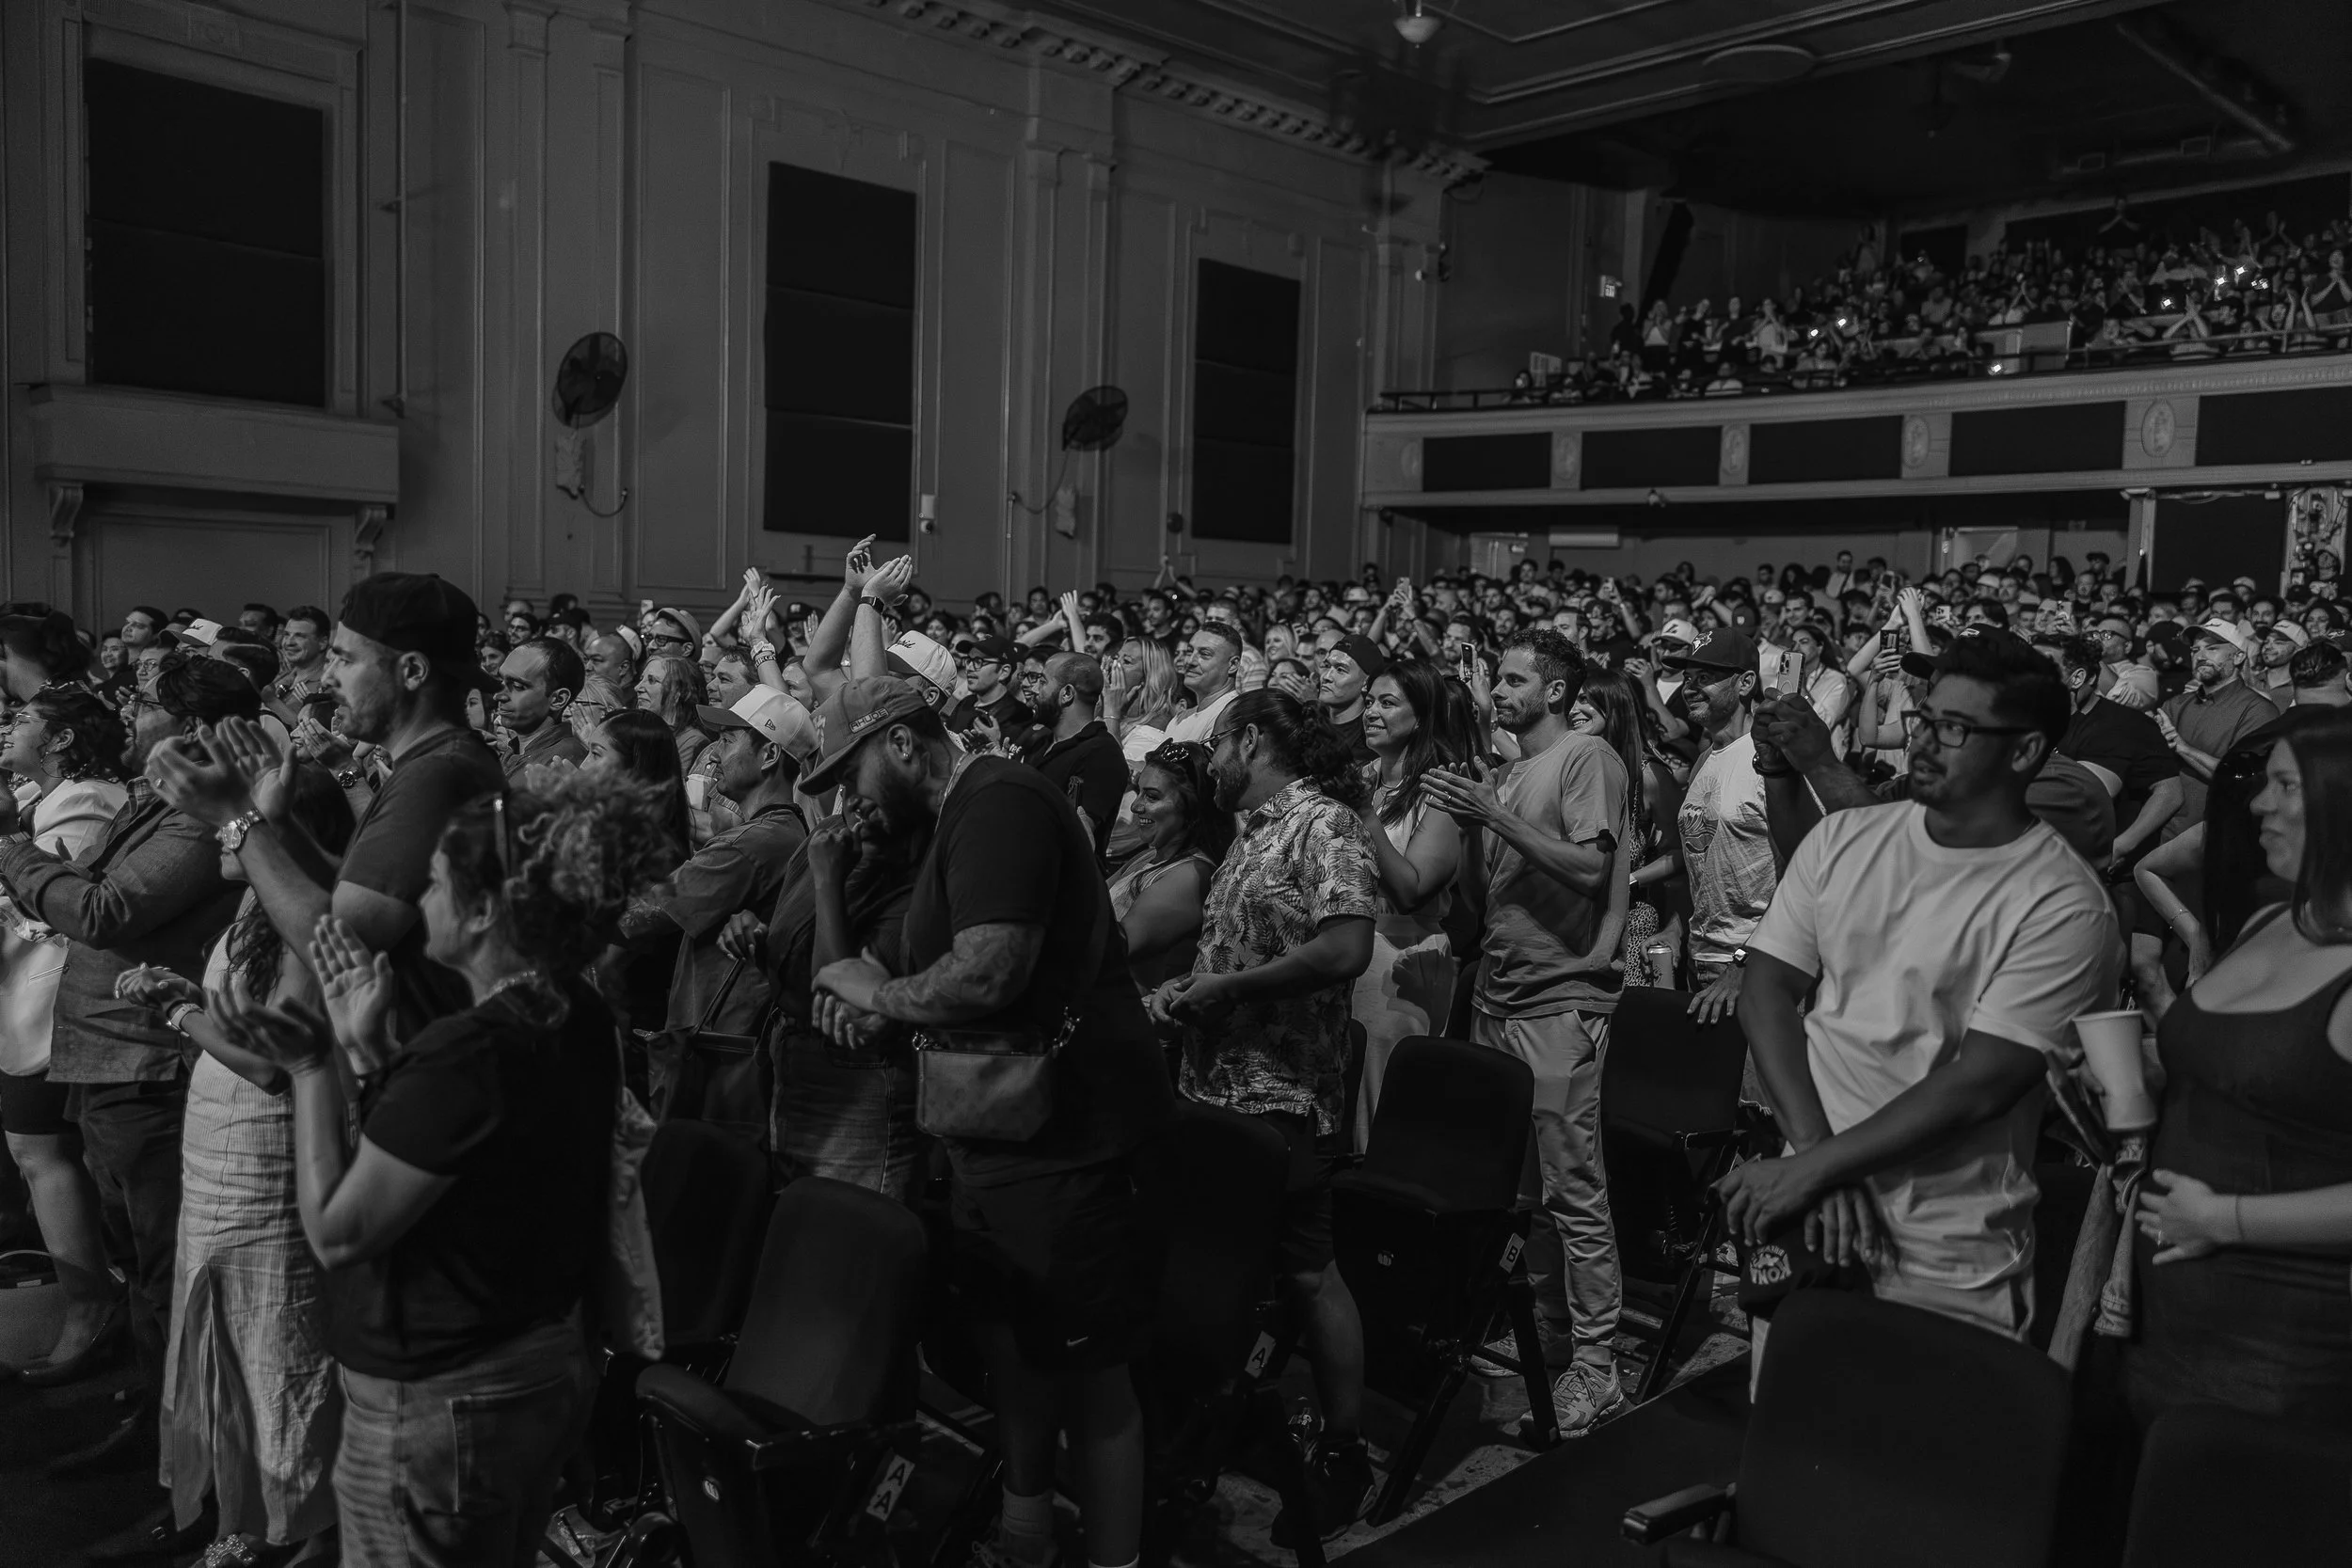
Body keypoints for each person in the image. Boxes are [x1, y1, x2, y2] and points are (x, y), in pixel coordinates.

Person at [209, 773, 675, 1565]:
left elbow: (340, 1231)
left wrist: (315, 1066)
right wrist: (372, 1056)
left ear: (486, 909)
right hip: (536, 1363)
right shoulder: (575, 1009)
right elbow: (470, 1169)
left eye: (434, 882)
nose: (421, 901)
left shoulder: (469, 1050)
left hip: (445, 1393)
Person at [803, 676, 1172, 1568]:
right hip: (1002, 1137)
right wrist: (879, 986)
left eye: (850, 774)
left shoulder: (999, 802)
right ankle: (1025, 1535)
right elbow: (893, 977)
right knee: (1016, 1353)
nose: (849, 800)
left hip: (1070, 1141)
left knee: (1091, 1376)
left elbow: (990, 970)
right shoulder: (950, 819)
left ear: (901, 743)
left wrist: (882, 998)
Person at [1715, 630, 2119, 1341]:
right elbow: (1766, 990)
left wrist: (1817, 1167)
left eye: (1954, 728)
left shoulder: (2063, 902)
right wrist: (1812, 1157)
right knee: (1786, 1407)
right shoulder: (1846, 839)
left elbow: (1981, 1082)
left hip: (1943, 1244)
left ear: (2024, 751)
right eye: (1924, 718)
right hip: (1810, 1205)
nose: (1924, 741)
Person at [0, 657, 250, 1487]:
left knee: (163, 1266)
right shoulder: (154, 799)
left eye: (142, 701)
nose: (126, 710)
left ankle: (181, 1459)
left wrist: (12, 844)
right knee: (142, 1263)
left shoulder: (196, 818)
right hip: (107, 1053)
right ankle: (156, 1419)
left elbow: (103, 910)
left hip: (147, 1059)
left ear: (192, 727)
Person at [1149, 689, 1378, 1541]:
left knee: (1310, 1271)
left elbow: (1347, 945)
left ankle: (1344, 1450)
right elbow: (1236, 951)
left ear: (1249, 740)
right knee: (1225, 1269)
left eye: (1215, 745)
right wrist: (1187, 987)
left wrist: (1234, 988)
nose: (1209, 763)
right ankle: (1216, 1423)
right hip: (1214, 1089)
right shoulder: (1254, 832)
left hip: (1281, 1094)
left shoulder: (1325, 824)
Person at [118, 762, 355, 1566]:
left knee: (276, 1336)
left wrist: (179, 1010)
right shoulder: (255, 904)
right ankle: (242, 1513)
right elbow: (247, 1023)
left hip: (268, 1149)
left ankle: (305, 1528)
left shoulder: (299, 917)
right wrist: (187, 993)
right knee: (221, 1332)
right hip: (218, 1142)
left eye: (240, 817)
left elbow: (271, 1062)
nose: (222, 832)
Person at [149, 572, 509, 1043]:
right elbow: (353, 894)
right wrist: (279, 823)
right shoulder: (432, 762)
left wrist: (235, 818)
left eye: (345, 659)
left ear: (412, 672)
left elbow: (341, 950)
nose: (329, 677)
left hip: (428, 1053)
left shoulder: (437, 774)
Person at [1420, 630, 1630, 1434]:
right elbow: (1483, 899)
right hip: (1501, 996)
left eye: (1513, 680)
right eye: (1498, 679)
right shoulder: (1508, 772)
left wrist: (1494, 813)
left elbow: (1590, 869)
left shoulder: (1585, 757)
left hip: (1559, 997)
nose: (1498, 691)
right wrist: (1475, 823)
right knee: (1525, 1192)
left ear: (1556, 690)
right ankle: (1551, 1329)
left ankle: (1599, 1365)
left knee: (1574, 1190)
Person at [2127, 711, 2352, 1429]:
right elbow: (2239, 1073)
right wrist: (2143, 1068)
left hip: (2281, 1344)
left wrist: (2225, 1219)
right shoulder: (2267, 918)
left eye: (2285, 786)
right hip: (2164, 1315)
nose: (2258, 804)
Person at [0, 689, 131, 1383]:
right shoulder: (36, 795)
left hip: (56, 1005)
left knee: (46, 1152)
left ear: (62, 741)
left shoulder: (87, 802)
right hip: (27, 1001)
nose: (7, 726)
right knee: (37, 1155)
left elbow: (49, 908)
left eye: (23, 720)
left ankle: (92, 1309)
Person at [620, 687, 818, 1062]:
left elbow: (634, 920)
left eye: (727, 742)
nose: (713, 756)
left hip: (716, 1053)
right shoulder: (783, 831)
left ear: (769, 755)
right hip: (727, 1044)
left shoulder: (749, 844)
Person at [1351, 661, 1469, 1145]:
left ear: (1421, 716)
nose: (1371, 712)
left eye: (1388, 703)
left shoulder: (1442, 788)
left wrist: (1364, 813)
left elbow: (1412, 888)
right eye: (1369, 701)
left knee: (1380, 1104)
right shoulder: (1362, 777)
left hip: (1403, 953)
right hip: (1348, 944)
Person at [1663, 626, 1779, 1026]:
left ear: (1745, 683)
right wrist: (1676, 929)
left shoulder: (1771, 759)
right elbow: (1704, 860)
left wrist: (1746, 962)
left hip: (1759, 973)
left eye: (1705, 678)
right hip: (1701, 961)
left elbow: (1806, 876)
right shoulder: (1706, 759)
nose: (1690, 688)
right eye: (1688, 678)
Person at [581, 708, 693, 1036]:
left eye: (596, 755)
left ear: (636, 771)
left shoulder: (656, 857)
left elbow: (602, 966)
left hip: (623, 1034)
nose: (583, 767)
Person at [1571, 667, 1685, 987]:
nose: (1573, 710)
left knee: (1626, 1014)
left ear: (1614, 705)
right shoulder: (1576, 767)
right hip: (1577, 927)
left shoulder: (1647, 775)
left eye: (1585, 700)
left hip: (1631, 928)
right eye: (1573, 701)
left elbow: (1681, 852)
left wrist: (1630, 879)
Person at [1105, 740, 1231, 995]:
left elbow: (1112, 946)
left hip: (1119, 1009)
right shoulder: (1150, 855)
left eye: (1152, 796)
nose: (1136, 806)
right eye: (1138, 792)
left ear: (1191, 807)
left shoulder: (1189, 875)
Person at [2058, 634, 2182, 865]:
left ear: (2078, 678)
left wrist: (2121, 847)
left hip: (2099, 866)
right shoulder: (2038, 719)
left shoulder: (2123, 724)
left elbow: (2170, 792)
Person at [2155, 620, 2280, 838]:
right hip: (2163, 830)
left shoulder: (2258, 710)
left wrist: (2183, 748)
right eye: (2195, 650)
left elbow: (2241, 777)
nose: (2200, 656)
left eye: (2212, 648)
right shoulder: (2174, 705)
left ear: (2238, 657)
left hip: (2216, 836)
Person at [1023, 652, 1127, 858]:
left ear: (1067, 694)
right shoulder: (1040, 742)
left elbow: (1078, 836)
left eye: (1042, 682)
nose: (1033, 690)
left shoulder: (1102, 754)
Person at [493, 636, 588, 775]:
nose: (498, 696)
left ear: (558, 700)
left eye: (518, 686)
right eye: (500, 680)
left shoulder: (562, 762)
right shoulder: (512, 750)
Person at [1164, 622, 1243, 744]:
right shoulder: (1179, 719)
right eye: (1189, 652)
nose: (1190, 661)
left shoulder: (1232, 716)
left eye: (1205, 654)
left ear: (1232, 665)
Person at [637, 654, 713, 773]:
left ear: (678, 693)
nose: (638, 688)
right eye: (641, 679)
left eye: (652, 680)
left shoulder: (693, 742)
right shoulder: (638, 731)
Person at [1317, 634, 1385, 766]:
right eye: (1327, 666)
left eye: (1340, 670)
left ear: (1366, 682)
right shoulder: (1310, 721)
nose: (1326, 677)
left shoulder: (1370, 738)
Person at [272, 607, 332, 713]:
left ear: (322, 642)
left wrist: (272, 701)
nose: (289, 642)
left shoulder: (329, 685)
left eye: (300, 636)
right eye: (286, 635)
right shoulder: (280, 679)